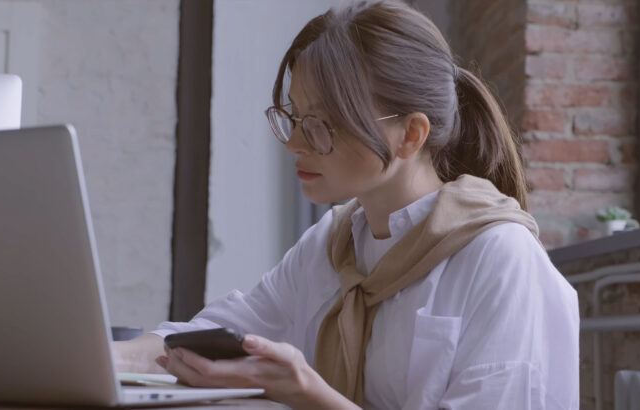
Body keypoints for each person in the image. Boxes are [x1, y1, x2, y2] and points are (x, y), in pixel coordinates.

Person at [113, 1, 579, 409]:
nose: (295, 142)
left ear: (411, 135)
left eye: (321, 123)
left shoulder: (501, 259)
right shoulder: (334, 245)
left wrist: (307, 394)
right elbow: (215, 333)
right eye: (294, 117)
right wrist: (102, 355)